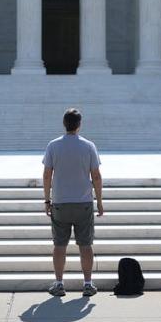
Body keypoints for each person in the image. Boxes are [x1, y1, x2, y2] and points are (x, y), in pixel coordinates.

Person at [43, 108, 104, 297]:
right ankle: (87, 284)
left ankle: (59, 283)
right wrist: (100, 201)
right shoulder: (88, 146)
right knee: (85, 245)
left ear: (64, 124)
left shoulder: (53, 146)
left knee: (59, 245)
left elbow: (47, 174)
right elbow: (96, 176)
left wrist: (47, 199)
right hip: (83, 201)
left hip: (60, 202)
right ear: (79, 125)